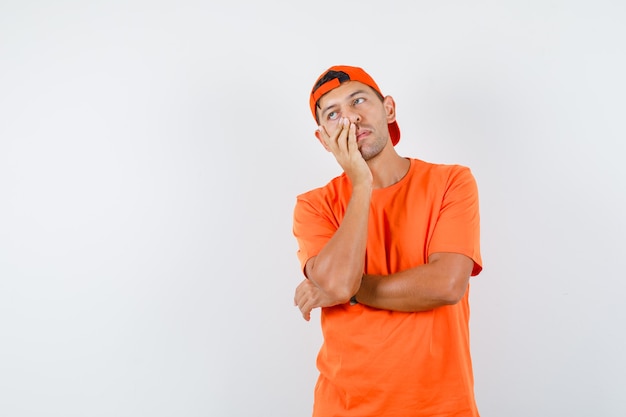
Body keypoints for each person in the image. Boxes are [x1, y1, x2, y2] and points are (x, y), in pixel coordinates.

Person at [292, 65, 483, 417]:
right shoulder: (313, 206)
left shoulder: (451, 182)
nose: (350, 119)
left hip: (442, 408)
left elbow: (447, 285)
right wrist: (361, 183)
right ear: (323, 139)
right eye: (332, 114)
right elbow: (334, 281)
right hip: (344, 408)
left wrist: (350, 290)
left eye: (358, 101)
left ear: (389, 109)